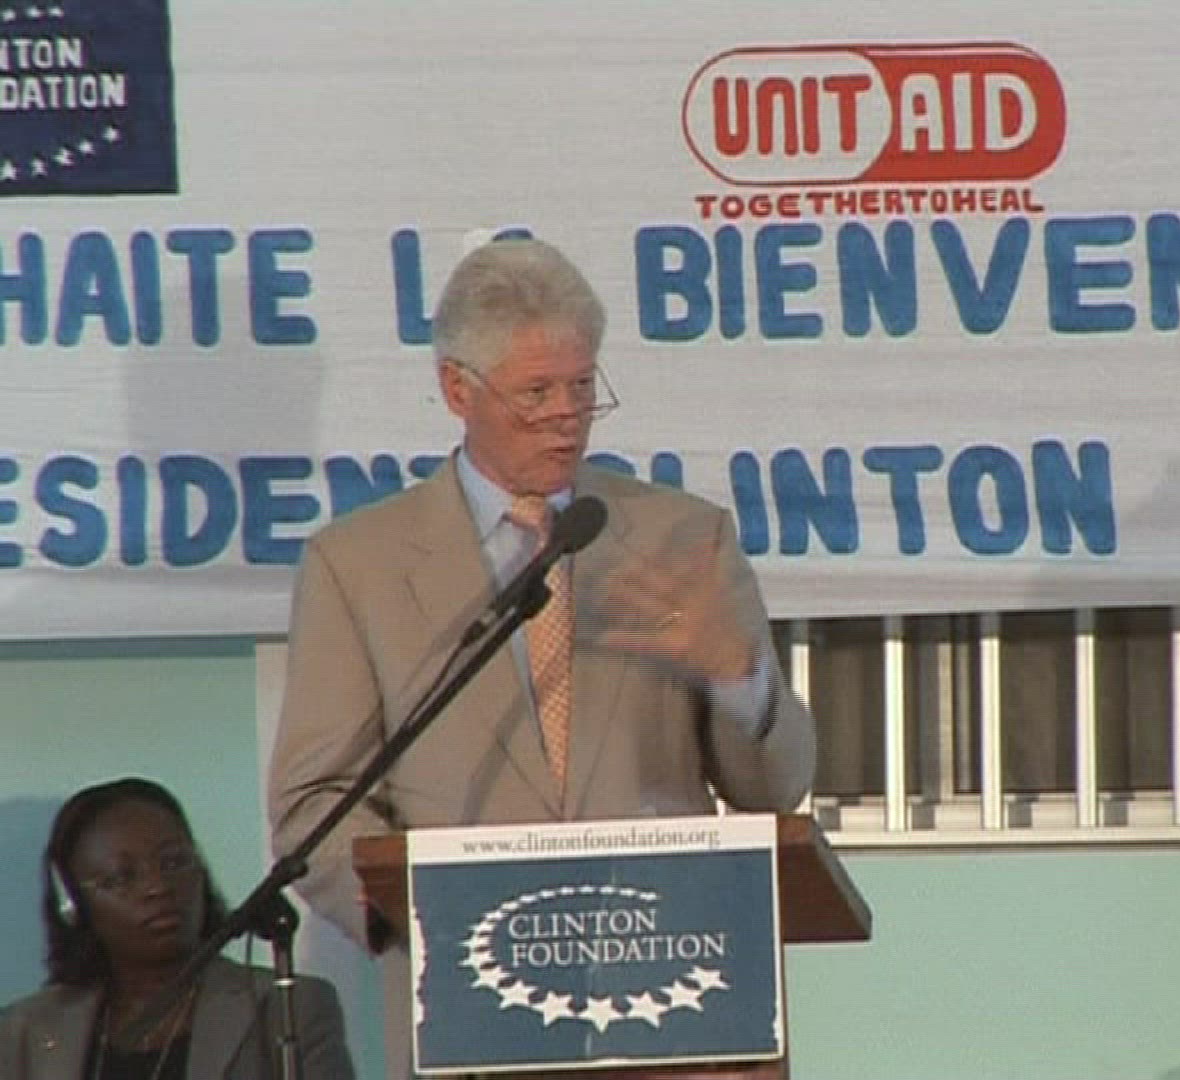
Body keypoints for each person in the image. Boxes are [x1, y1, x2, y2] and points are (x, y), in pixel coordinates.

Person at [267, 236, 816, 1073]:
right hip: (471, 1009)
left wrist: (738, 677)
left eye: (582, 386)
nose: (567, 413)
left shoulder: (682, 539)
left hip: (673, 1008)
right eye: (536, 392)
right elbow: (314, 801)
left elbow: (775, 788)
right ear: (458, 389)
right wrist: (426, 914)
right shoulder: (358, 566)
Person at [0, 777, 355, 1079]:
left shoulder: (286, 1008)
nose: (157, 887)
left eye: (174, 863)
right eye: (122, 877)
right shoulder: (23, 1033)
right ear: (74, 906)